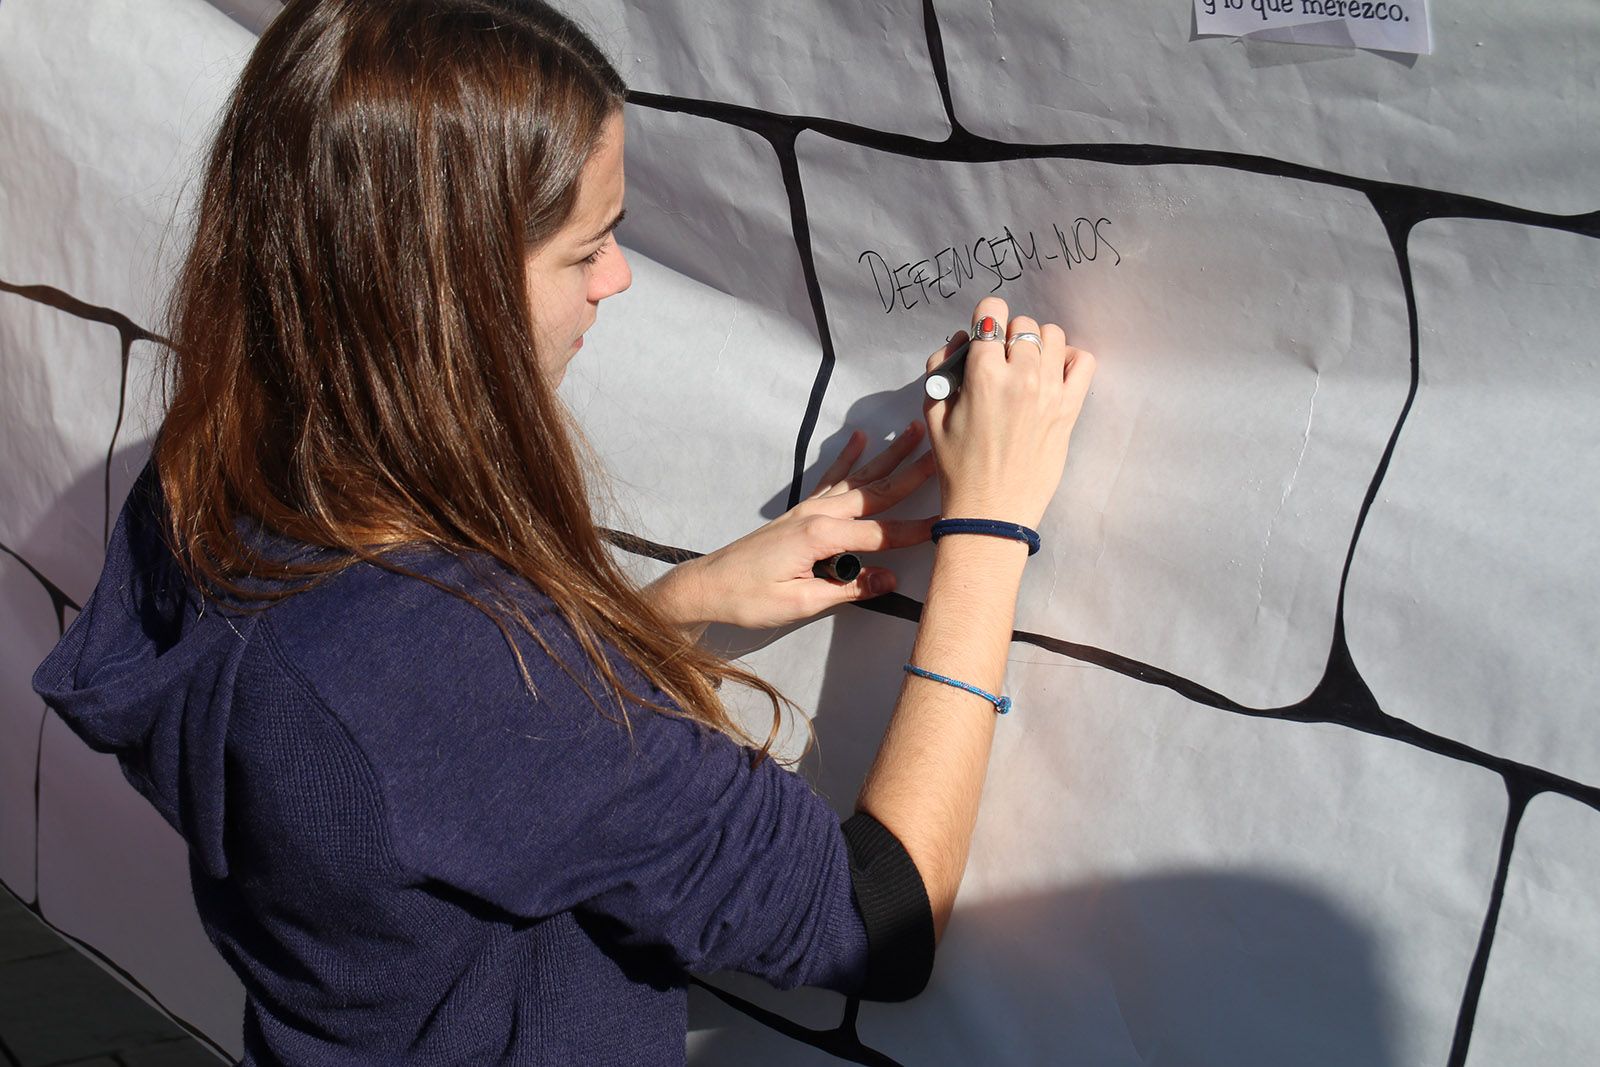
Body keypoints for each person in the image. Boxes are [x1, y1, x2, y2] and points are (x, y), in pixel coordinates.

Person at [32, 0, 1096, 1063]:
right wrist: (992, 522)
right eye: (585, 248)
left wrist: (668, 609)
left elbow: (394, 764)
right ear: (441, 290)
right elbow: (878, 915)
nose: (619, 277)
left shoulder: (214, 472)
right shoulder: (446, 665)